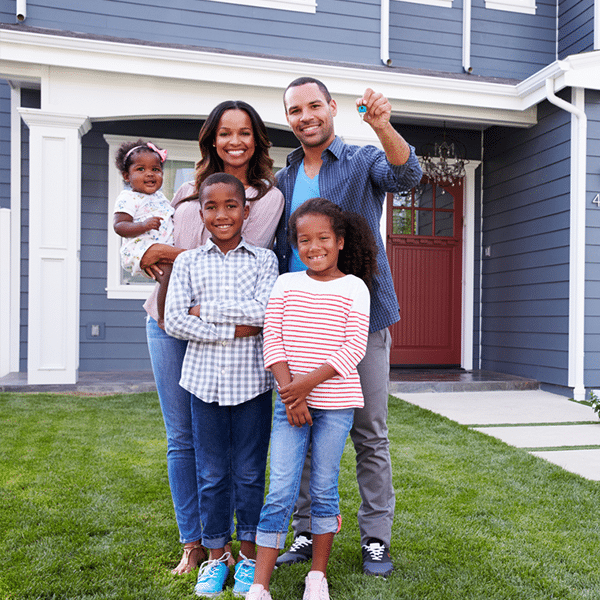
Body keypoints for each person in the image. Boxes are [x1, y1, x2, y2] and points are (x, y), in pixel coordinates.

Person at [273, 77, 423, 577]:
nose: (306, 116)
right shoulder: (285, 177)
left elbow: (407, 175)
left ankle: (375, 539)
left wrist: (383, 125)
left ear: (332, 108)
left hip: (361, 317)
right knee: (302, 423)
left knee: (369, 434)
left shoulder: (361, 159)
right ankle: (303, 529)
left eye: (314, 105)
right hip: (299, 323)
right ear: (289, 117)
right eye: (295, 110)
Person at [141, 101, 284, 576]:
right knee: (183, 439)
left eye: (245, 132)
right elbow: (170, 255)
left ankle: (235, 549)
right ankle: (196, 543)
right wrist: (154, 253)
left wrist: (200, 302)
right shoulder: (184, 190)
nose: (235, 141)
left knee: (242, 461)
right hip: (166, 318)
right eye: (225, 133)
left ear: (256, 139)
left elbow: (243, 251)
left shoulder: (267, 196)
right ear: (212, 138)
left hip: (233, 345)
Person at [246, 198, 377, 600]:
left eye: (323, 238)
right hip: (290, 404)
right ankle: (259, 586)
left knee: (323, 487)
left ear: (339, 242)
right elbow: (273, 341)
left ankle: (316, 578)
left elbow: (353, 347)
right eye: (304, 239)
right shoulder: (286, 283)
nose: (313, 246)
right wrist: (292, 395)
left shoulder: (354, 287)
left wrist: (304, 387)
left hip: (335, 403)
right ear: (295, 245)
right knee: (281, 489)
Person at [164, 173, 279, 598]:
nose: (222, 214)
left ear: (246, 211)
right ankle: (216, 558)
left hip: (252, 384)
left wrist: (205, 312)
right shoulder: (189, 261)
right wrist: (234, 328)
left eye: (231, 206)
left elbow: (265, 312)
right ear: (200, 213)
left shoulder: (264, 261)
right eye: (211, 207)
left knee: (249, 472)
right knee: (211, 474)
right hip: (203, 385)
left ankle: (248, 556)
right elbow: (176, 319)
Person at [113, 140, 173, 329]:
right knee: (168, 275)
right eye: (140, 169)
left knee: (174, 276)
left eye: (156, 169)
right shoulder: (128, 198)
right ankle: (162, 317)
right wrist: (143, 225)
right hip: (138, 247)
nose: (149, 174)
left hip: (158, 246)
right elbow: (120, 226)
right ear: (126, 176)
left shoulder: (160, 198)